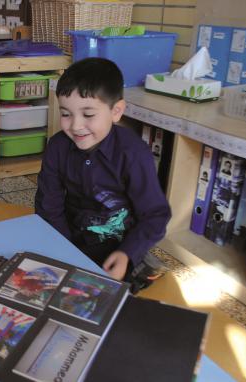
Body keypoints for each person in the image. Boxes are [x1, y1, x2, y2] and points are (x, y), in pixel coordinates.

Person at [35, 58, 171, 292]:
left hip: (120, 245)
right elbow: (49, 205)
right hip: (71, 237)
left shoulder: (134, 153)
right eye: (66, 114)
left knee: (113, 300)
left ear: (116, 111)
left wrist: (127, 253)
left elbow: (156, 215)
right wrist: (65, 248)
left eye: (88, 115)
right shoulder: (57, 147)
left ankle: (143, 265)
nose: (76, 126)